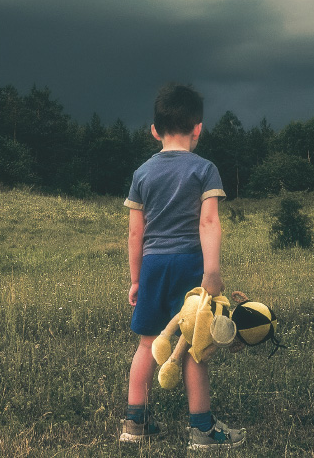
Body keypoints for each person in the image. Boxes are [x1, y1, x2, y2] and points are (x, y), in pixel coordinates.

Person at [119, 83, 246, 450]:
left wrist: (135, 278)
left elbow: (134, 233)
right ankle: (202, 431)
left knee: (147, 344)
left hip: (154, 265)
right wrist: (212, 270)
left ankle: (134, 424)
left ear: (155, 131)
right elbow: (208, 223)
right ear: (198, 128)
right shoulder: (205, 170)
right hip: (191, 266)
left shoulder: (142, 173)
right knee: (195, 345)